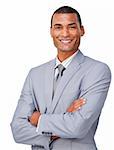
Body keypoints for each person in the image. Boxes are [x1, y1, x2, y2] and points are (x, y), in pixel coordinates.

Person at [11, 6, 111, 150]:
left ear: (81, 30)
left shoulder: (98, 70)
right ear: (51, 31)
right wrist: (65, 117)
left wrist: (38, 119)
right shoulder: (35, 74)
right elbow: (17, 130)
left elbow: (78, 126)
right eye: (58, 27)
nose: (65, 33)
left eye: (71, 27)